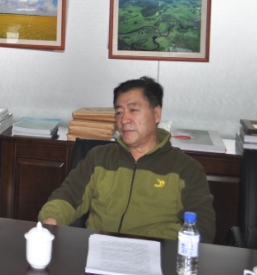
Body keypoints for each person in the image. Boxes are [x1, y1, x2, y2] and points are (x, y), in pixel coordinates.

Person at [38, 76, 216, 242]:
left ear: (156, 114)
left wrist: (156, 245)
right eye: (119, 112)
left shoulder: (185, 169)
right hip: (100, 250)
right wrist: (50, 220)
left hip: (158, 255)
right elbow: (69, 196)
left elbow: (203, 226)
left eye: (133, 110)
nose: (124, 120)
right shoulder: (99, 158)